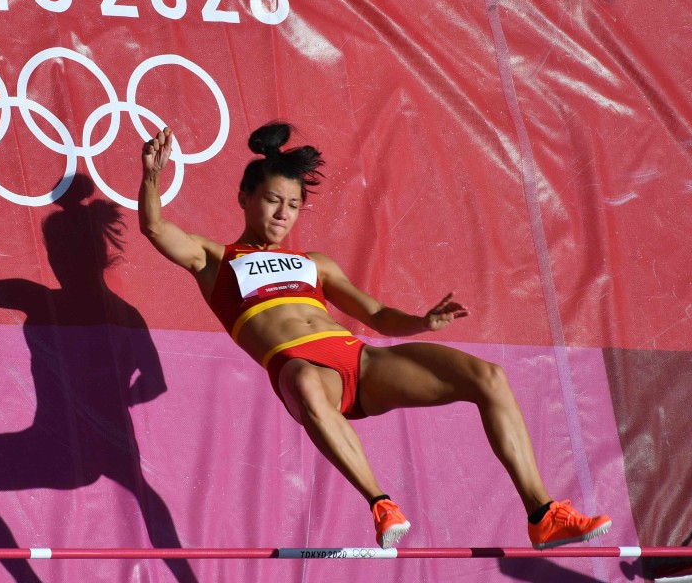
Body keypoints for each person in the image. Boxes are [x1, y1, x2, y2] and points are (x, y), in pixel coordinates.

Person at [137, 121, 611, 549]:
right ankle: (381, 503)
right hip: (301, 370)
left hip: (358, 361)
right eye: (272, 200)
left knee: (488, 376)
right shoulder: (215, 260)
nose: (284, 213)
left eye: (294, 205)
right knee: (303, 378)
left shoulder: (315, 264)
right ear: (245, 197)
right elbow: (155, 228)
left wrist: (423, 322)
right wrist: (152, 177)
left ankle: (543, 514)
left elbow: (379, 314)